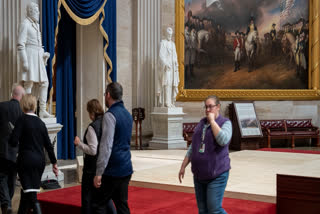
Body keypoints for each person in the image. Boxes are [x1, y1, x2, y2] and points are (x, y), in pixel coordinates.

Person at [178, 95, 232, 214]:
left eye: (210, 107)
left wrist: (212, 121)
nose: (208, 110)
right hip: (199, 175)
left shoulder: (225, 123)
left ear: (218, 107)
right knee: (203, 210)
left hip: (217, 174)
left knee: (214, 210)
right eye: (206, 107)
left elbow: (223, 140)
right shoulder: (201, 123)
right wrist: (183, 166)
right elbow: (193, 146)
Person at [9, 94, 59, 213]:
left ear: (23, 105)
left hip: (25, 161)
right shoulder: (41, 123)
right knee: (27, 191)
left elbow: (13, 141)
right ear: (34, 105)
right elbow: (49, 146)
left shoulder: (21, 120)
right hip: (39, 162)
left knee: (31, 195)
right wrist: (54, 163)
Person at [93, 82, 133, 214]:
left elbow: (106, 146)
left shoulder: (110, 115)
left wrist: (99, 172)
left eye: (105, 94)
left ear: (108, 95)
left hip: (112, 169)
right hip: (126, 166)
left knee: (98, 204)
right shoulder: (127, 114)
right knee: (122, 205)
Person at [74, 99, 116, 214]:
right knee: (105, 197)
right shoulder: (107, 122)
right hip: (106, 165)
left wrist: (79, 144)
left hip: (92, 168)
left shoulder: (93, 127)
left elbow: (93, 150)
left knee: (87, 198)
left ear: (92, 112)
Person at [17, 2, 53, 118]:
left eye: (38, 11)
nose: (38, 13)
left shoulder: (36, 25)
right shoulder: (25, 24)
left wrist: (43, 55)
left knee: (45, 83)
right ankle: (27, 110)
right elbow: (20, 44)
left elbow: (38, 44)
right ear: (30, 11)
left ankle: (42, 109)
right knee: (29, 83)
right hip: (29, 55)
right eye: (36, 11)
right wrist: (24, 61)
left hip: (37, 56)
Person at [0, 84, 25, 214]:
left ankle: (6, 204)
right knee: (11, 179)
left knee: (2, 177)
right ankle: (7, 204)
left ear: (12, 94)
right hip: (16, 152)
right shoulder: (23, 112)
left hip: (2, 150)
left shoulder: (1, 106)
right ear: (22, 97)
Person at [157, 27, 179, 108]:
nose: (170, 36)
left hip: (172, 67)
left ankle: (170, 101)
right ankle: (166, 102)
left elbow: (175, 55)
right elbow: (161, 55)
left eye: (171, 34)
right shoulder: (163, 43)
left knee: (172, 83)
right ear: (166, 34)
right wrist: (166, 64)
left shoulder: (173, 44)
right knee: (166, 83)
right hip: (166, 67)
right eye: (168, 34)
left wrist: (176, 63)